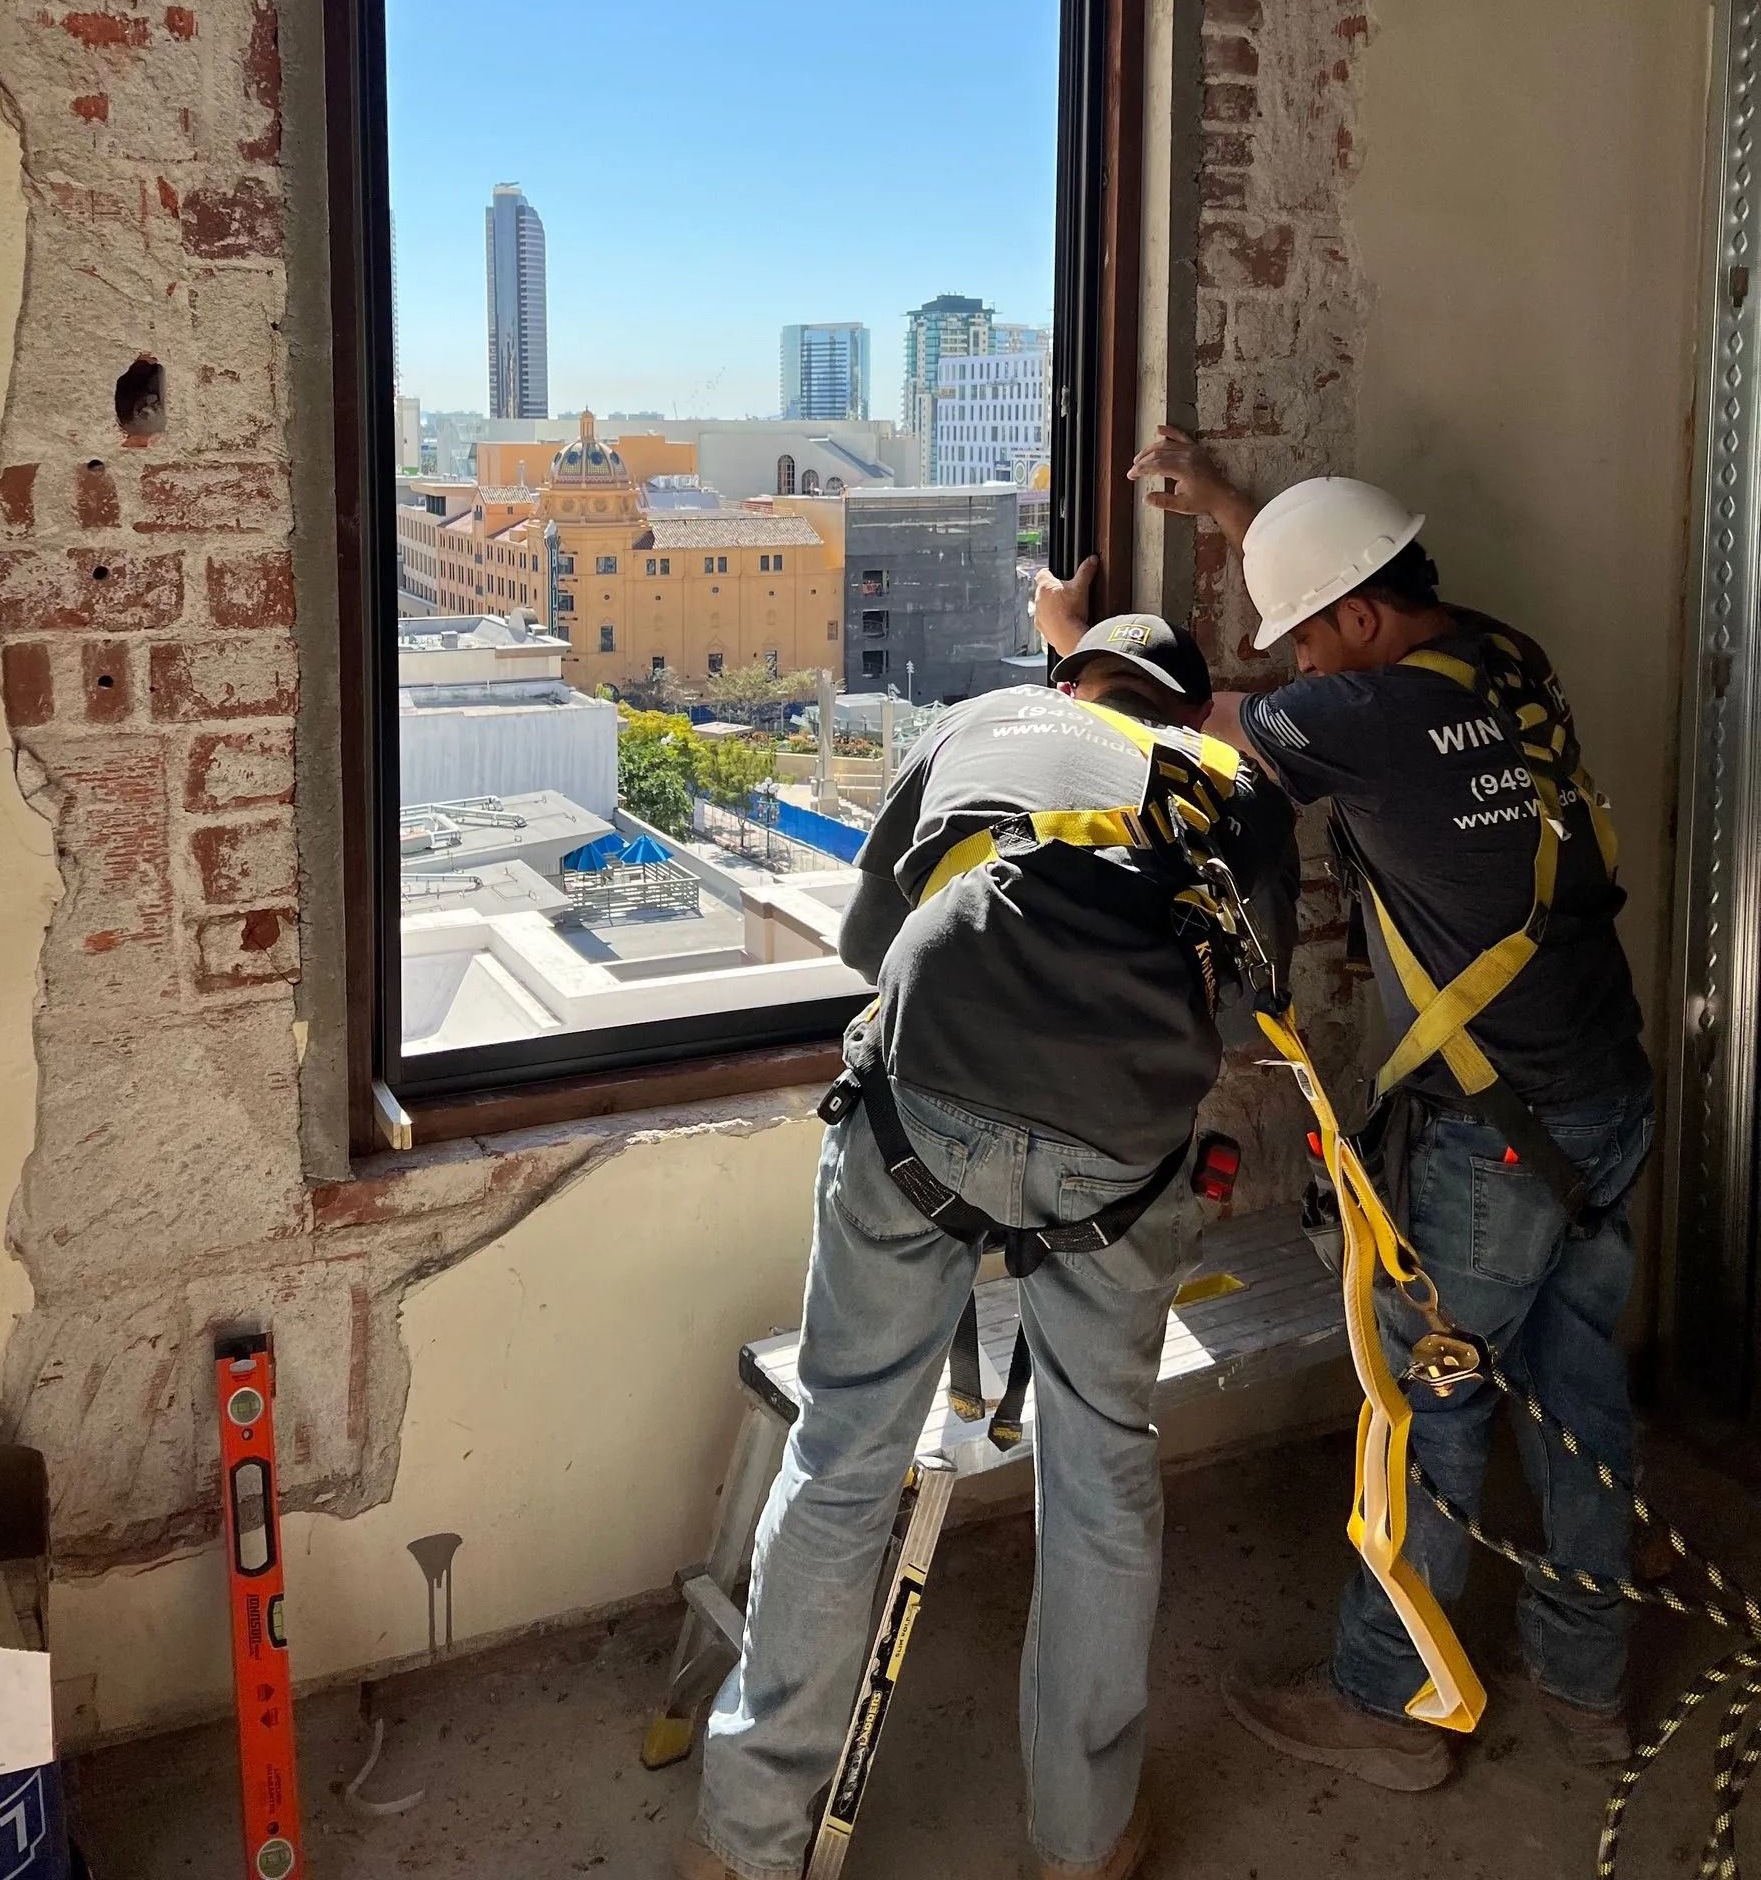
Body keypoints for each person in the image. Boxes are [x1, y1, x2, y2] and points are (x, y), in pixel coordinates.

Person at [1037, 430, 1654, 1792]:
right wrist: (1227, 509)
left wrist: (1073, 643)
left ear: (1359, 621)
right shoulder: (1502, 654)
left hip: (1491, 1141)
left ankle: (1390, 1704)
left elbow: (1177, 722)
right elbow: (1341, 611)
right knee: (1580, 1392)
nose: (1296, 665)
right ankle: (1585, 1676)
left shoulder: (1357, 721)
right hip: (1605, 1101)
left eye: (1308, 642)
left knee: (1424, 1410)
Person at [680, 614, 1297, 1880]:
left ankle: (744, 1847)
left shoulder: (980, 722)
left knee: (846, 1452)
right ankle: (1083, 1841)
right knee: (1100, 1473)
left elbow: (866, 945)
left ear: (1069, 683)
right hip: (1118, 1154)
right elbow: (1245, 999)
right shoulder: (1230, 783)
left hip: (925, 1111)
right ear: (1183, 713)